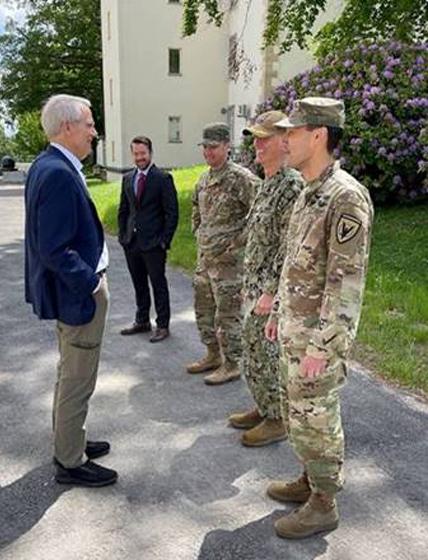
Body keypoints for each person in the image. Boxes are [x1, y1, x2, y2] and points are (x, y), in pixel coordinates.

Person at [264, 98, 374, 538]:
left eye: (292, 132)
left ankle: (324, 503)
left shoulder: (345, 197)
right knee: (298, 415)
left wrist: (321, 347)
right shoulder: (309, 191)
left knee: (318, 418)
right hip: (295, 328)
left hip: (318, 340)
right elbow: (296, 262)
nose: (284, 139)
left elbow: (345, 284)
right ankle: (310, 480)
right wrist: (277, 312)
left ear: (318, 135)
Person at [24, 94, 117, 488]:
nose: (95, 132)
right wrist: (91, 282)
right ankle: (69, 460)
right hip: (78, 294)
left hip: (74, 292)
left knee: (72, 372)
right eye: (90, 124)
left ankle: (70, 440)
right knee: (78, 376)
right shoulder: (58, 172)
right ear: (67, 127)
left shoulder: (53, 165)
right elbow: (54, 248)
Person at [228, 111, 304, 446]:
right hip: (254, 285)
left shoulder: (291, 184)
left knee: (267, 352)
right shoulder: (267, 182)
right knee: (253, 348)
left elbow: (289, 245)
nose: (257, 145)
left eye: (264, 138)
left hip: (270, 293)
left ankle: (277, 418)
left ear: (284, 141)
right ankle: (264, 405)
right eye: (254, 138)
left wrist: (271, 291)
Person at [187, 123, 258, 385]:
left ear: (227, 146)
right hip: (205, 262)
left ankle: (231, 363)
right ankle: (213, 354)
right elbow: (196, 208)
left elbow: (260, 213)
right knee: (204, 310)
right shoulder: (204, 179)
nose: (208, 152)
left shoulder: (241, 178)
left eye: (213, 147)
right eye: (205, 147)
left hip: (230, 264)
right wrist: (199, 231)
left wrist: (237, 244)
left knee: (228, 314)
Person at [118, 136, 179, 343]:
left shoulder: (162, 178)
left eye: (143, 153)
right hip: (132, 242)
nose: (139, 157)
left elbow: (172, 213)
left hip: (154, 244)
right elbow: (123, 210)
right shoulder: (127, 178)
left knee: (158, 284)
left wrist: (164, 241)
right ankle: (142, 320)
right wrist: (122, 235)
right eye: (136, 154)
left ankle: (163, 325)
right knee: (139, 283)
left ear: (150, 153)